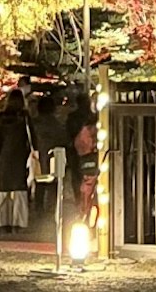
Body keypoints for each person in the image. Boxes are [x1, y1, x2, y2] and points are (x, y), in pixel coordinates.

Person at [0, 88, 33, 232]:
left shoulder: (1, 117)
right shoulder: (24, 116)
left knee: (3, 190)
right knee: (20, 190)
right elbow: (31, 137)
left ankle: (3, 222)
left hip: (5, 156)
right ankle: (18, 223)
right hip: (20, 156)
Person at [63, 90, 98, 220]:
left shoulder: (72, 117)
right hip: (91, 152)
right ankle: (87, 206)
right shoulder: (92, 118)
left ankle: (80, 204)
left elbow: (67, 133)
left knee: (77, 177)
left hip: (75, 151)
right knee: (90, 179)